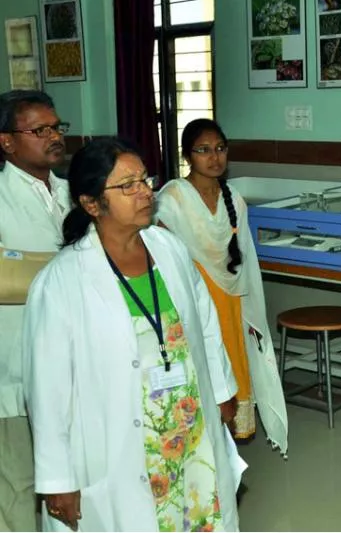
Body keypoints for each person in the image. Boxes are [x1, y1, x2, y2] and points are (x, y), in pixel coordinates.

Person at [22, 138, 244, 531]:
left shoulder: (169, 249)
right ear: (91, 204)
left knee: (200, 513)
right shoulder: (62, 282)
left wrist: (224, 390)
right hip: (120, 445)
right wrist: (57, 481)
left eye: (144, 179)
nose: (145, 192)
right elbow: (47, 389)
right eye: (128, 185)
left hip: (190, 433)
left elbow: (205, 326)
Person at [156, 118, 287, 453]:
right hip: (192, 296)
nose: (213, 157)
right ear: (188, 155)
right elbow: (160, 254)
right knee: (200, 366)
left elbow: (245, 258)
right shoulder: (172, 198)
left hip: (229, 298)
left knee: (231, 361)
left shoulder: (234, 199)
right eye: (203, 150)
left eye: (219, 149)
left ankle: (227, 448)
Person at [0, 89, 69, 531]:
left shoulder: (74, 191)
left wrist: (26, 263)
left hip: (73, 364)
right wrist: (68, 266)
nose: (54, 136)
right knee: (20, 484)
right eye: (39, 130)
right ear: (7, 141)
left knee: (68, 482)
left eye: (56, 127)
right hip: (14, 365)